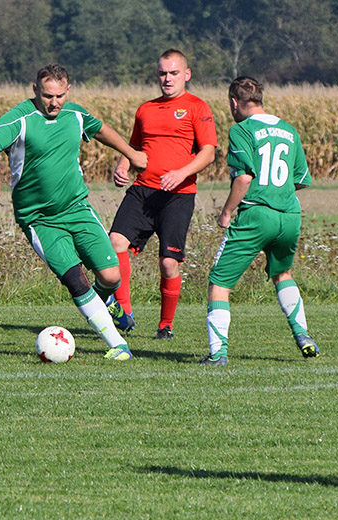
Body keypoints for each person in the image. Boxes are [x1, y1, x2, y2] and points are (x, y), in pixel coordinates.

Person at [0, 63, 147, 361]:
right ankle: (117, 344)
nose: (53, 102)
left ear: (68, 90)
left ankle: (107, 300)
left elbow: (102, 130)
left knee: (110, 276)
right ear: (35, 90)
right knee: (75, 279)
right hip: (39, 219)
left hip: (77, 208)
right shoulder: (21, 118)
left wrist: (130, 154)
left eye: (59, 95)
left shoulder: (75, 115)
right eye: (47, 96)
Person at [200, 76, 319, 366]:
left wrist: (227, 211)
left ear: (234, 102)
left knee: (219, 283)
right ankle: (303, 335)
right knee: (283, 274)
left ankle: (218, 354)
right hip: (289, 216)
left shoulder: (241, 129)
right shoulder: (289, 130)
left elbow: (243, 177)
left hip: (256, 214)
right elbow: (301, 179)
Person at [109, 49, 218, 340]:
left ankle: (165, 325)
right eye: (162, 73)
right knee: (115, 243)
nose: (167, 79)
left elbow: (208, 152)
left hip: (178, 196)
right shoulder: (146, 109)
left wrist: (181, 173)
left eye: (173, 73)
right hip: (142, 190)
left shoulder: (197, 107)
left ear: (186, 74)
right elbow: (133, 146)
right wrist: (123, 165)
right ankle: (124, 312)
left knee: (168, 263)